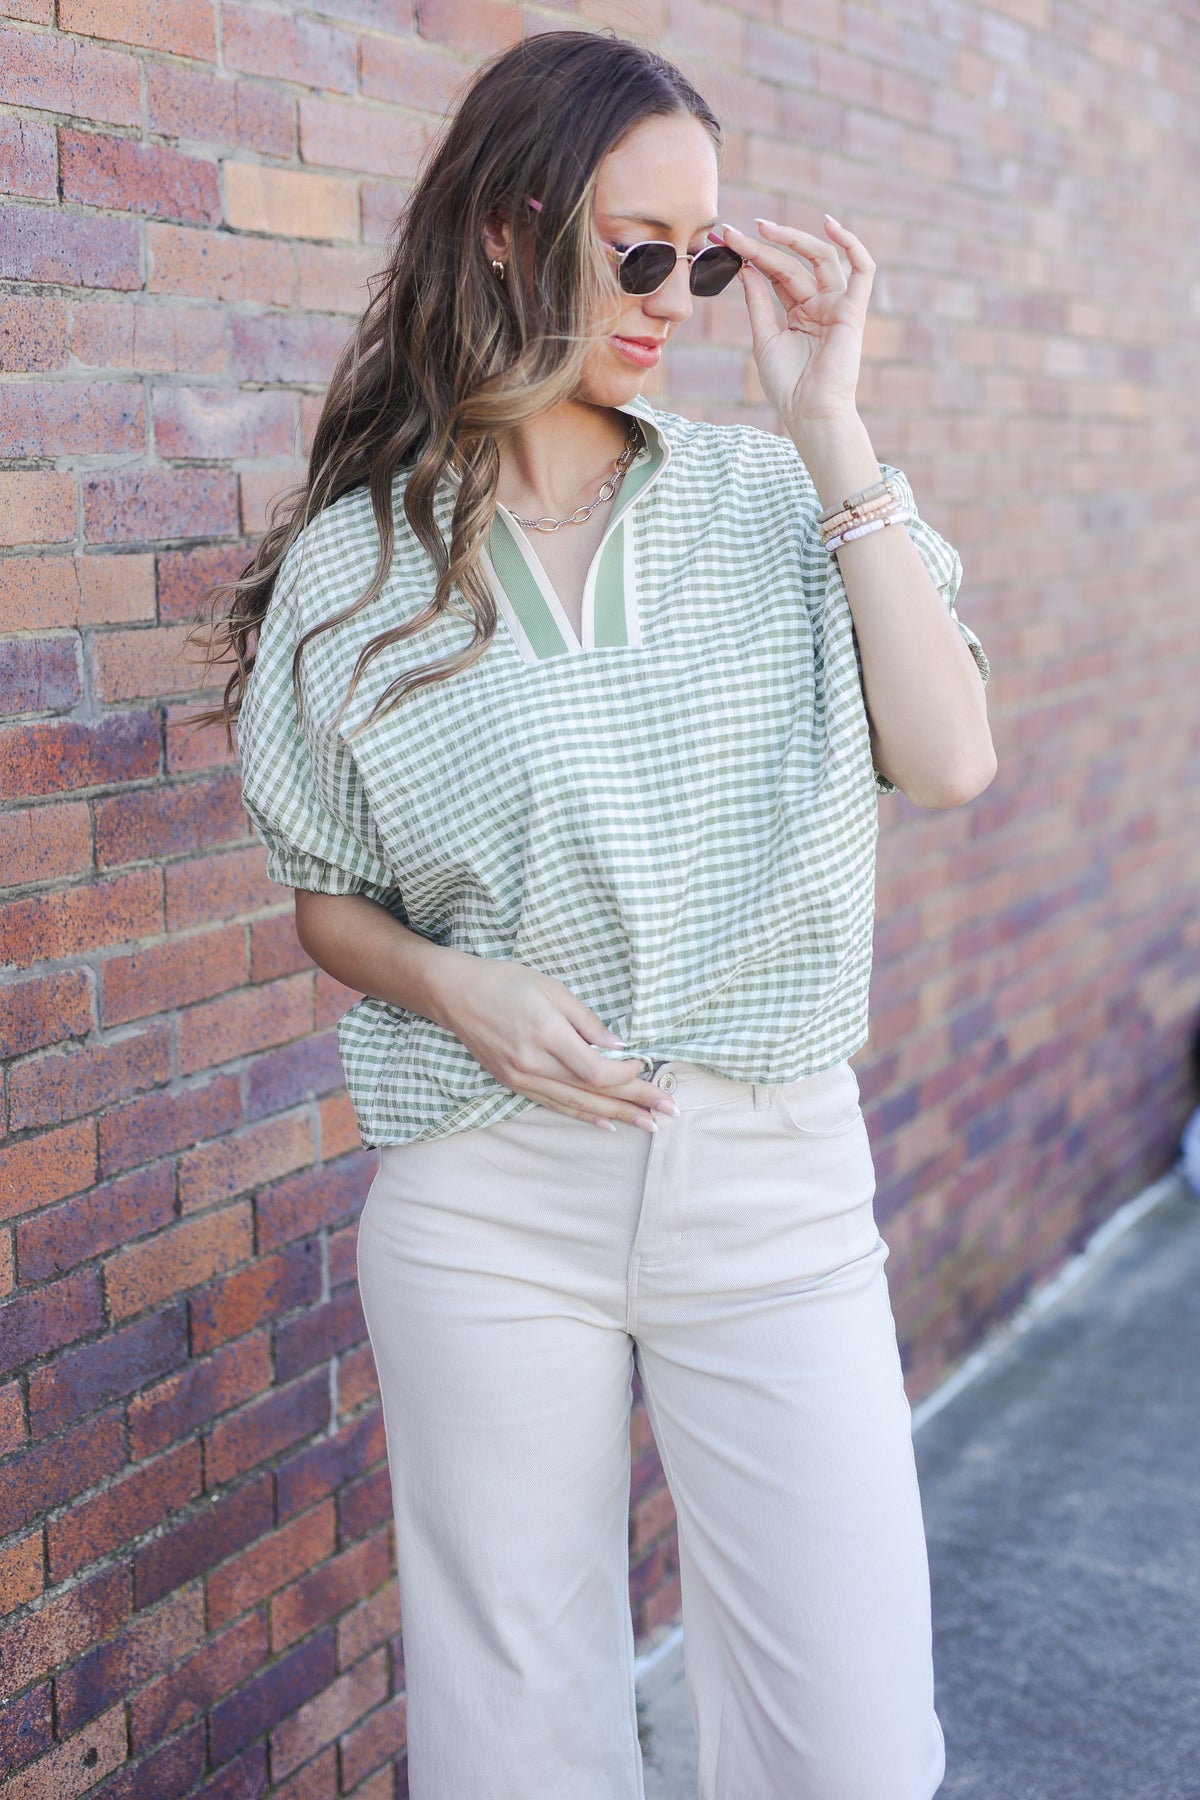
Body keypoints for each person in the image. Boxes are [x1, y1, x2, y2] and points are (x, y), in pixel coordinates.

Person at [194, 28, 996, 1800]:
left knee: (851, 1751)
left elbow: (945, 759)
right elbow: (330, 899)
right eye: (642, 249)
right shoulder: (358, 563)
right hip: (489, 1196)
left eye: (703, 259)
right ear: (505, 226)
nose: (677, 299)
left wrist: (831, 419)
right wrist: (452, 987)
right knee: (515, 1737)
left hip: (773, 1178)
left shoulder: (773, 496)